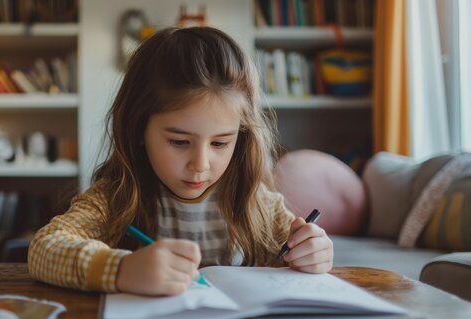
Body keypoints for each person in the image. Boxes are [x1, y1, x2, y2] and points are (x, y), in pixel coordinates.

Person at [28, 27, 333, 296]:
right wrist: (121, 270)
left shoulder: (257, 203)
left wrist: (313, 252)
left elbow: (294, 256)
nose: (200, 164)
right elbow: (44, 249)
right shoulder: (115, 198)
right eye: (179, 142)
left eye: (220, 143)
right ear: (138, 130)